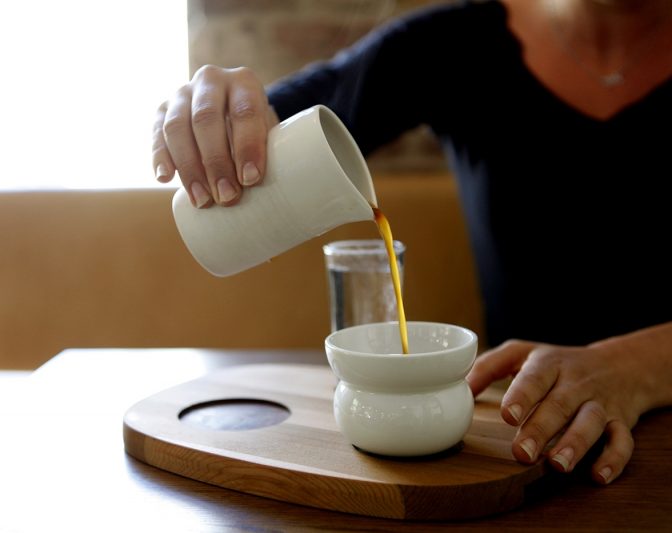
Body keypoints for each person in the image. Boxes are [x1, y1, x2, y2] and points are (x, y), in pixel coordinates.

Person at [152, 0, 672, 484]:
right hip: (517, 439)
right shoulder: (457, 42)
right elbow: (281, 124)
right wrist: (220, 110)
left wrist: (636, 366)